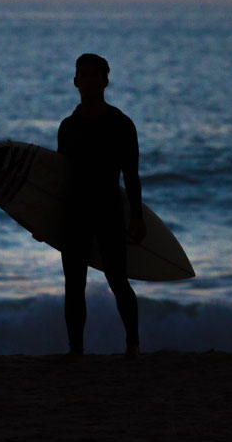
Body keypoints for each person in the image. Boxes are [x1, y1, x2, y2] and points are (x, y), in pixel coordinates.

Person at [57, 53, 146, 360]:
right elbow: (60, 179)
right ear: (75, 81)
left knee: (118, 281)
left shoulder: (121, 125)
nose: (89, 80)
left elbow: (131, 176)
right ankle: (75, 350)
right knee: (74, 285)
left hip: (109, 211)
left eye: (95, 75)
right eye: (83, 74)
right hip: (74, 214)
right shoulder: (68, 127)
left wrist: (137, 217)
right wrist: (43, 222)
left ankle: (133, 344)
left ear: (106, 81)